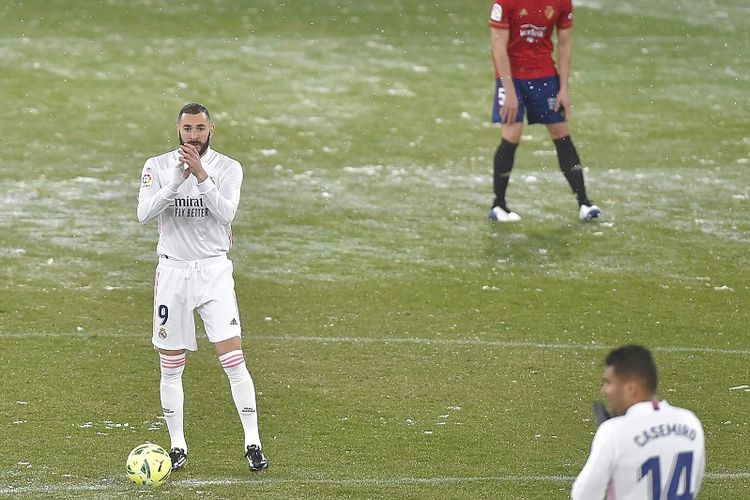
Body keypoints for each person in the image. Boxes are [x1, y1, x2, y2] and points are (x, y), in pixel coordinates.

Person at [137, 102, 269, 472]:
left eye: (200, 128)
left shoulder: (229, 168)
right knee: (171, 366)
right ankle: (177, 446)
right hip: (173, 273)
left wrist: (201, 176)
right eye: (187, 128)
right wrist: (177, 180)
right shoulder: (157, 167)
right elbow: (144, 214)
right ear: (178, 130)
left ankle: (253, 442)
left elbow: (226, 213)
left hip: (213, 273)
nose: (193, 135)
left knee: (233, 360)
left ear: (211, 130)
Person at [487, 0, 601, 222]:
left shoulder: (561, 3)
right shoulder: (504, 2)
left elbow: (565, 44)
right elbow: (498, 46)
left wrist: (564, 88)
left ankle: (584, 203)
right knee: (512, 134)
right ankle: (498, 205)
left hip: (545, 76)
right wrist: (509, 91)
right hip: (512, 77)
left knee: (561, 131)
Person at [572, 345, 705, 499]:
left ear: (631, 388)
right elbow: (695, 481)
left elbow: (584, 494)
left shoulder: (614, 431)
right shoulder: (690, 422)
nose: (604, 391)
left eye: (609, 383)